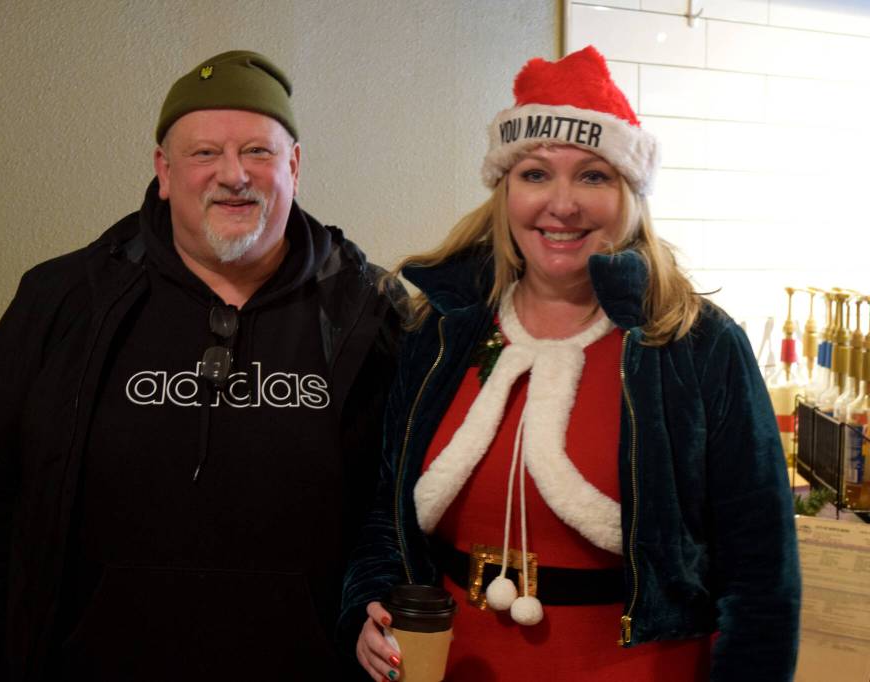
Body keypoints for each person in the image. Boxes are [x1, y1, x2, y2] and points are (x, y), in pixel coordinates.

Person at [0, 50, 404, 680]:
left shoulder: (372, 312)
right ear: (164, 170)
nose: (233, 175)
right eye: (204, 153)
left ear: (294, 165)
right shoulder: (63, 301)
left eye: (259, 152)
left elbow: (401, 503)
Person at [342, 46, 800, 681]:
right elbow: (384, 511)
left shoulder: (696, 345)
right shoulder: (442, 329)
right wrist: (368, 608)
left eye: (593, 176)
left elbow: (762, 576)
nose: (562, 204)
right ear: (505, 192)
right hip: (451, 663)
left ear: (631, 193)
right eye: (534, 174)